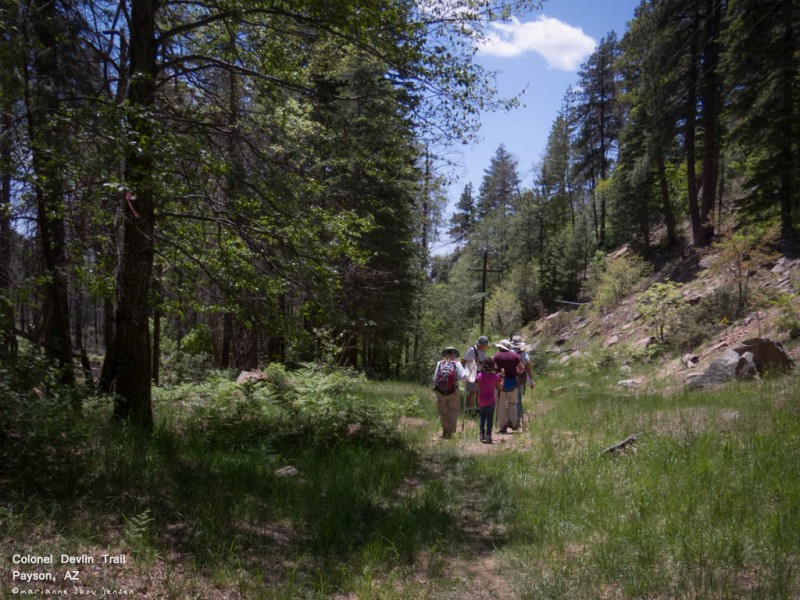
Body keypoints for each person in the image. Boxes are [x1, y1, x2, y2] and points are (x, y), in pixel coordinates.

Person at [432, 346, 470, 439]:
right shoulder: (457, 364)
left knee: (443, 411)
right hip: (453, 391)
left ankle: (445, 429)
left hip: (440, 392)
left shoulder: (440, 363)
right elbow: (463, 377)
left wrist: (435, 389)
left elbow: (435, 378)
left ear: (445, 354)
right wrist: (468, 373)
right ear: (454, 355)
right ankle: (450, 431)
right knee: (453, 411)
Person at [492, 339, 523, 434]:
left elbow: (493, 369)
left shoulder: (496, 356)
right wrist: (517, 372)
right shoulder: (515, 356)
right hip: (513, 383)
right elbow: (521, 369)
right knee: (513, 403)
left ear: (501, 347)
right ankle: (512, 423)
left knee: (501, 404)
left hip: (500, 384)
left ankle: (502, 426)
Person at [510, 334, 535, 425]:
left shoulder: (509, 352)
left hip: (509, 378)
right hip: (520, 380)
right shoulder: (523, 354)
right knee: (518, 399)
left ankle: (510, 419)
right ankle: (518, 419)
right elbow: (527, 367)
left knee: (509, 399)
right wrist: (531, 380)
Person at [476, 357, 502, 444]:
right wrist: (503, 376)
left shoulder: (479, 375)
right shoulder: (496, 376)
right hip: (491, 400)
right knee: (490, 419)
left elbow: (479, 387)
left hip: (481, 399)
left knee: (482, 417)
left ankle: (481, 434)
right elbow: (501, 387)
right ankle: (488, 435)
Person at [462, 335, 490, 415]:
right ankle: (468, 409)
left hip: (481, 373)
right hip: (472, 373)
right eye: (485, 346)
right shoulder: (472, 350)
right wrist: (473, 361)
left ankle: (478, 409)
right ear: (481, 345)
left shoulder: (483, 351)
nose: (486, 347)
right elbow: (463, 362)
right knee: (472, 392)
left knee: (479, 391)